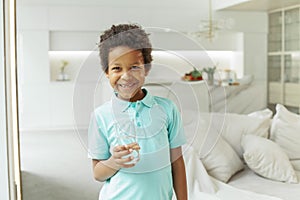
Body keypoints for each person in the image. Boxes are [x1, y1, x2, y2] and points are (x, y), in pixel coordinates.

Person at [88, 23, 188, 200]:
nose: (126, 76)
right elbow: (98, 173)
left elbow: (177, 162)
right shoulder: (100, 116)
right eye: (117, 68)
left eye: (134, 67)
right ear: (106, 72)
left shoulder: (167, 108)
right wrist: (114, 161)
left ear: (147, 69)